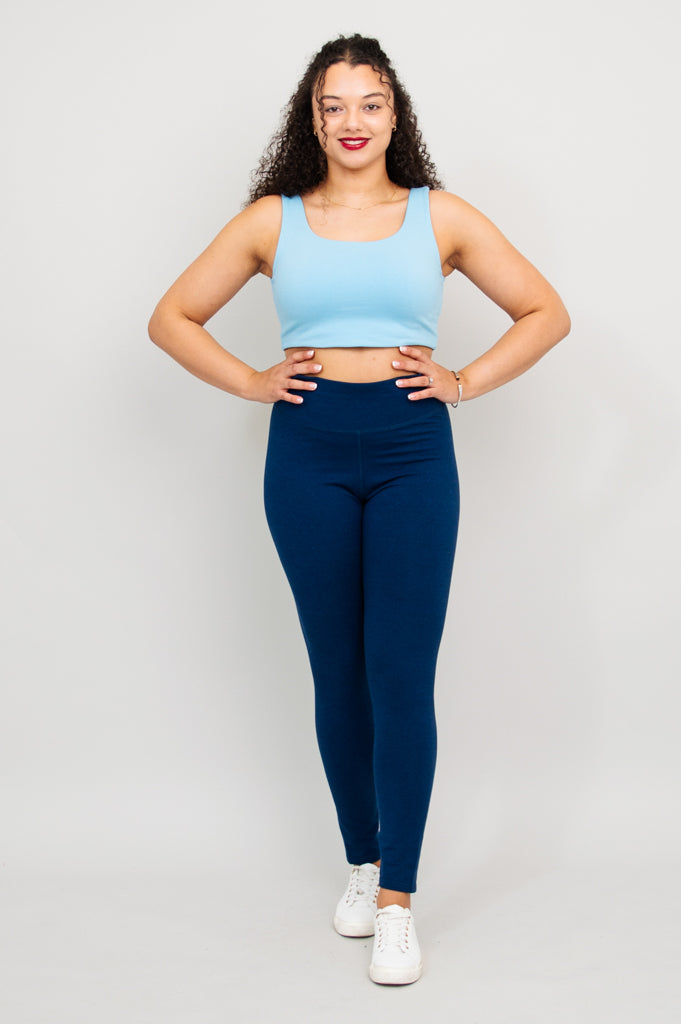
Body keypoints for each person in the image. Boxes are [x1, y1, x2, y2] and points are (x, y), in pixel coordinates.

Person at [148, 33, 570, 986]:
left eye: (369, 103)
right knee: (338, 672)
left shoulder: (438, 214)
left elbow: (545, 310)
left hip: (413, 449)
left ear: (394, 114)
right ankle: (362, 860)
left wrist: (461, 380)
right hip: (307, 451)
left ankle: (397, 904)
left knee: (400, 675)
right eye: (333, 105)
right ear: (311, 119)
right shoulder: (272, 220)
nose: (352, 121)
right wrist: (252, 381)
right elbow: (171, 317)